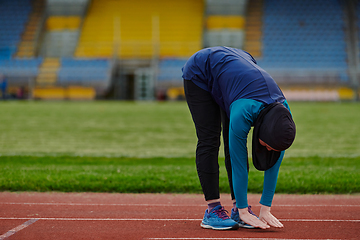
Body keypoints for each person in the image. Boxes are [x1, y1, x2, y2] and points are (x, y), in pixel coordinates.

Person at [182, 46, 296, 230]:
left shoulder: (282, 116)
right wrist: (245, 210)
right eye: (267, 146)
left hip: (236, 73)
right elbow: (239, 160)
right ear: (262, 132)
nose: (267, 151)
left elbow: (275, 159)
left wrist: (265, 208)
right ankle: (213, 211)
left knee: (230, 140)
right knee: (210, 140)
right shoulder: (243, 112)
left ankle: (237, 209)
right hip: (201, 72)